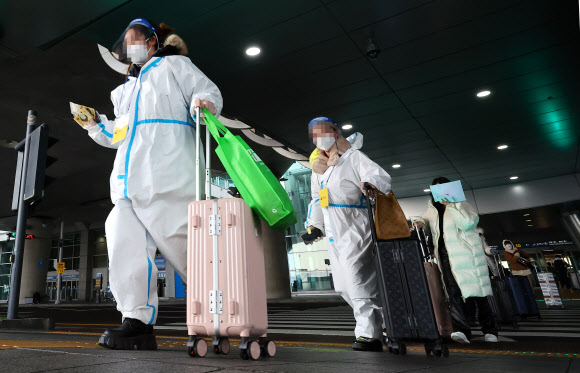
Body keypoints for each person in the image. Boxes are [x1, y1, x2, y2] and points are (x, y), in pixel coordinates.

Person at [81, 18, 222, 350]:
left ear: (152, 41)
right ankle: (137, 321)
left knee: (188, 248)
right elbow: (121, 134)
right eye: (125, 41)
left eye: (135, 39)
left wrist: (203, 103)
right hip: (128, 182)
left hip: (168, 172)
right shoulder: (127, 89)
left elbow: (207, 91)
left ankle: (223, 309)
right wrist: (95, 125)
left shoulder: (174, 66)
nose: (130, 47)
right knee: (123, 244)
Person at [303, 117, 391, 352]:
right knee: (343, 286)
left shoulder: (353, 157)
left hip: (356, 227)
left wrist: (370, 184)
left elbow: (380, 176)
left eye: (323, 131)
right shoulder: (319, 168)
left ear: (335, 131)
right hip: (333, 232)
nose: (318, 137)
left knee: (358, 281)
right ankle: (381, 325)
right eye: (314, 133)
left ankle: (368, 334)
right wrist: (314, 225)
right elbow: (316, 198)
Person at [412, 177, 498, 344]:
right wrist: (419, 222)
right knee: (454, 294)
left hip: (467, 255)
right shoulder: (432, 209)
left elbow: (467, 224)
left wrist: (452, 206)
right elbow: (424, 221)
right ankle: (461, 330)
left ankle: (489, 329)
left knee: (478, 294)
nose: (440, 192)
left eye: (443, 187)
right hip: (445, 256)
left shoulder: (463, 205)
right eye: (436, 189)